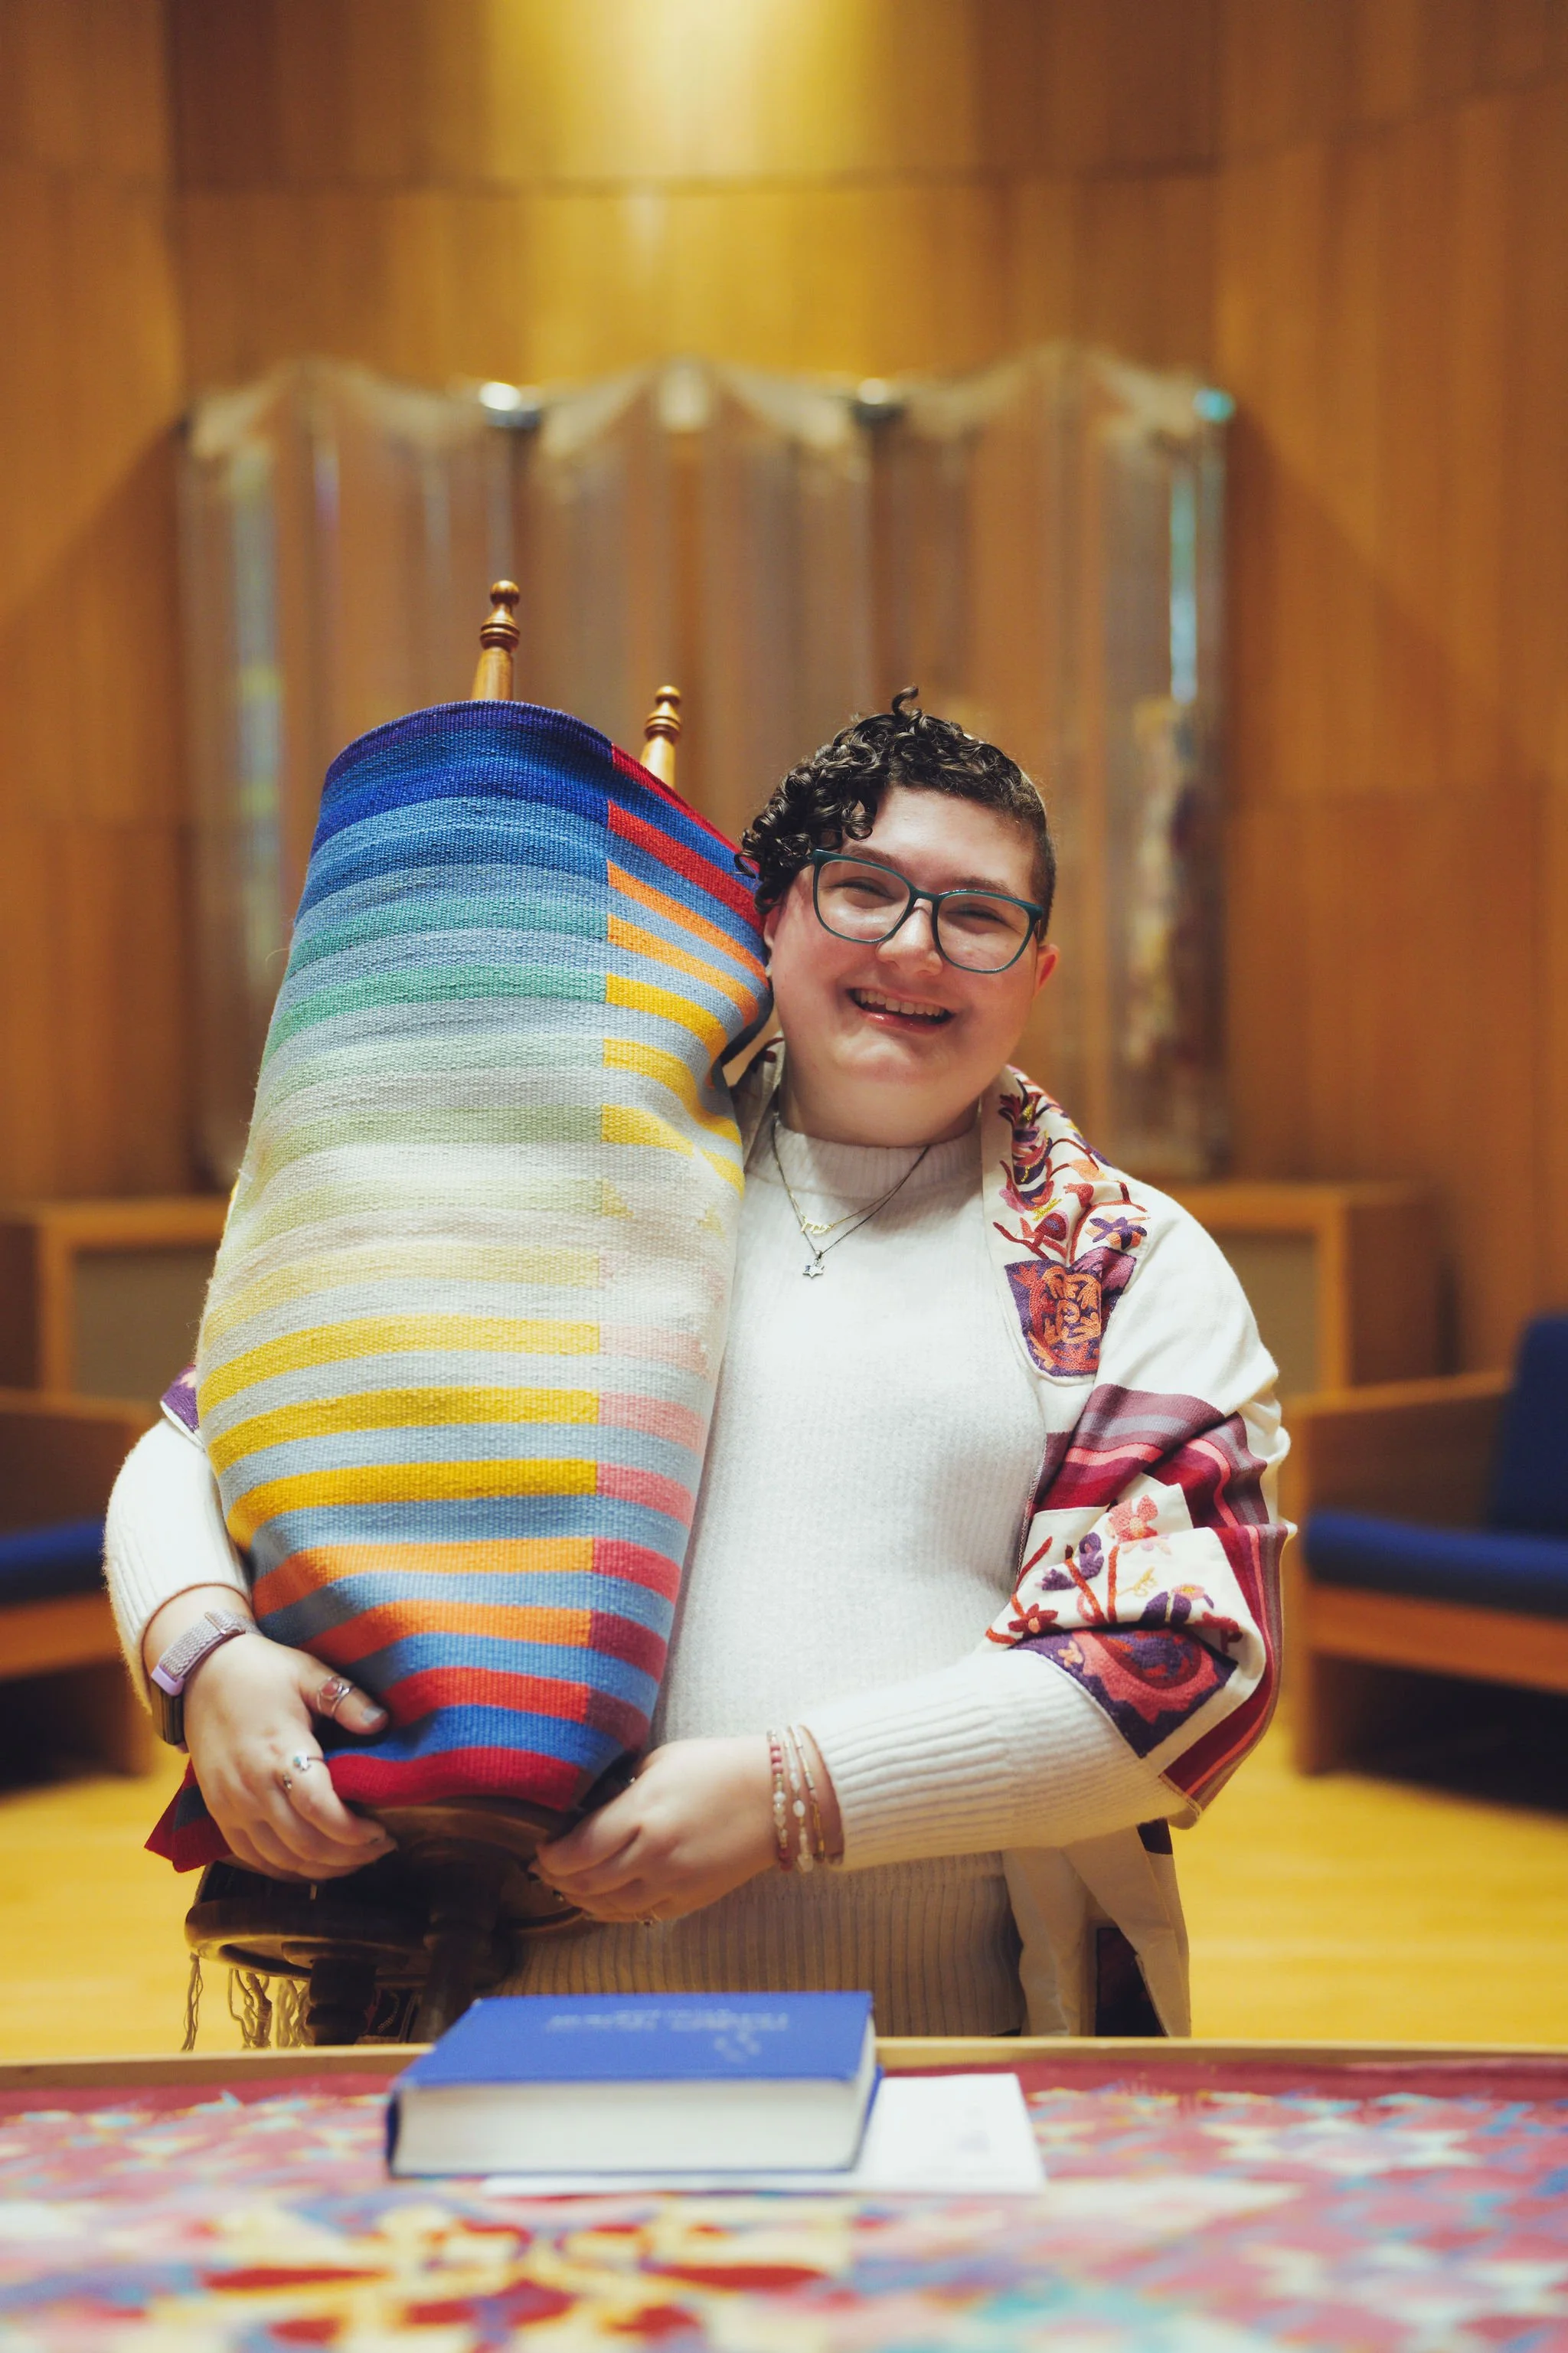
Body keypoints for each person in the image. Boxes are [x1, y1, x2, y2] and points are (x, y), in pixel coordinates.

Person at [106, 694, 1285, 2035]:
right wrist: (206, 1654)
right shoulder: (567, 1170)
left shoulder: (1122, 1254)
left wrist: (792, 1795)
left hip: (937, 2030)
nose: (916, 947)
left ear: (1034, 970)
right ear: (768, 921)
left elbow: (1184, 1660)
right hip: (489, 2006)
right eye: (865, 891)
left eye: (977, 915)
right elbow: (199, 1445)